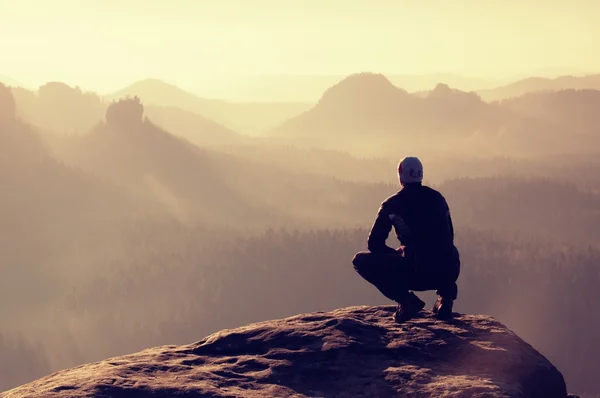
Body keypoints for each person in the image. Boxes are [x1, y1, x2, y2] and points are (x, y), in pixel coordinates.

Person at [352, 156, 460, 322]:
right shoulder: (438, 199)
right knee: (447, 250)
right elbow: (449, 236)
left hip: (416, 272)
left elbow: (374, 244)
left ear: (400, 175)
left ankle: (405, 300)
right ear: (421, 174)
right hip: (446, 270)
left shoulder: (391, 205)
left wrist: (397, 254)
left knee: (359, 261)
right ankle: (445, 300)